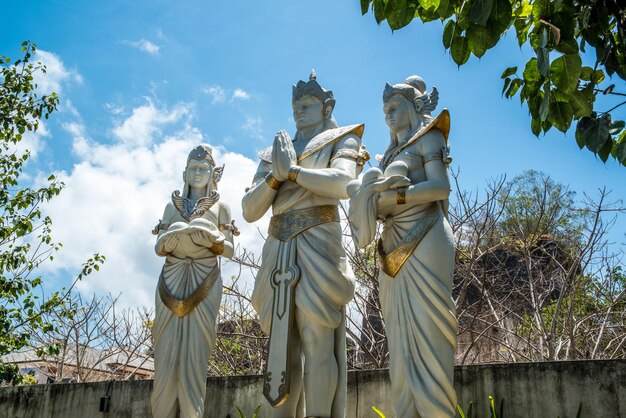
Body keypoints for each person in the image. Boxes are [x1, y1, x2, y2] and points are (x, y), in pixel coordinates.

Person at [242, 71, 367, 418]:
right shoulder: (274, 152)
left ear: (327, 107)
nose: (300, 110)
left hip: (318, 239)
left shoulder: (343, 139)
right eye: (296, 105)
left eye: (308, 104)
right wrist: (275, 174)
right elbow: (250, 209)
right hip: (278, 244)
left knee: (317, 337)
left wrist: (293, 173)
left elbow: (343, 182)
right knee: (282, 343)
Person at [348, 76, 457, 418]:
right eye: (385, 110)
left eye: (394, 107)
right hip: (391, 242)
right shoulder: (388, 155)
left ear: (412, 108)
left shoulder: (429, 138)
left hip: (425, 235)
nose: (388, 115)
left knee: (429, 333)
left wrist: (397, 195)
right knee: (399, 339)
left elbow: (439, 187)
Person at [150, 144, 237, 418]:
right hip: (171, 278)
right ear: (184, 173)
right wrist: (168, 241)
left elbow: (231, 249)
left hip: (205, 278)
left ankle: (191, 412)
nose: (198, 172)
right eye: (193, 168)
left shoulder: (221, 206)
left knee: (195, 356)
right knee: (166, 355)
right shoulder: (170, 206)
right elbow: (158, 247)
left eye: (204, 168)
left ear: (213, 174)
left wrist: (213, 242)